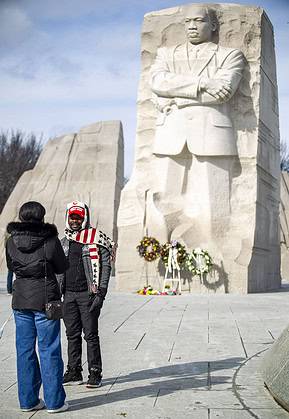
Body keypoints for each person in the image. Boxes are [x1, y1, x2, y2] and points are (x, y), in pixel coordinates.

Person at [149, 5, 245, 235]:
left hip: (212, 135)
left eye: (199, 21)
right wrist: (204, 83)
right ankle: (160, 252)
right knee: (162, 203)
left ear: (212, 25)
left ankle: (214, 256)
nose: (192, 26)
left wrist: (175, 97)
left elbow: (224, 91)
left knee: (214, 205)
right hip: (170, 134)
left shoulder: (230, 55)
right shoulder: (166, 54)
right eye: (188, 21)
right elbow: (157, 82)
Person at [5, 201, 68, 413]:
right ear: (41, 216)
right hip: (45, 300)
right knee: (49, 349)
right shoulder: (50, 239)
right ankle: (54, 402)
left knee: (24, 351)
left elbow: (11, 266)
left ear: (22, 216)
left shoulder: (11, 241)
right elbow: (61, 266)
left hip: (21, 300)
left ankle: (28, 401)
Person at [59, 200, 114, 388]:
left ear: (84, 218)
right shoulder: (64, 241)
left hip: (87, 294)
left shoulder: (95, 238)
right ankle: (74, 371)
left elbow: (106, 265)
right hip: (68, 295)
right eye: (72, 217)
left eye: (78, 217)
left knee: (90, 335)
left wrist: (102, 292)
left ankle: (95, 372)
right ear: (68, 218)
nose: (75, 220)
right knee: (71, 334)